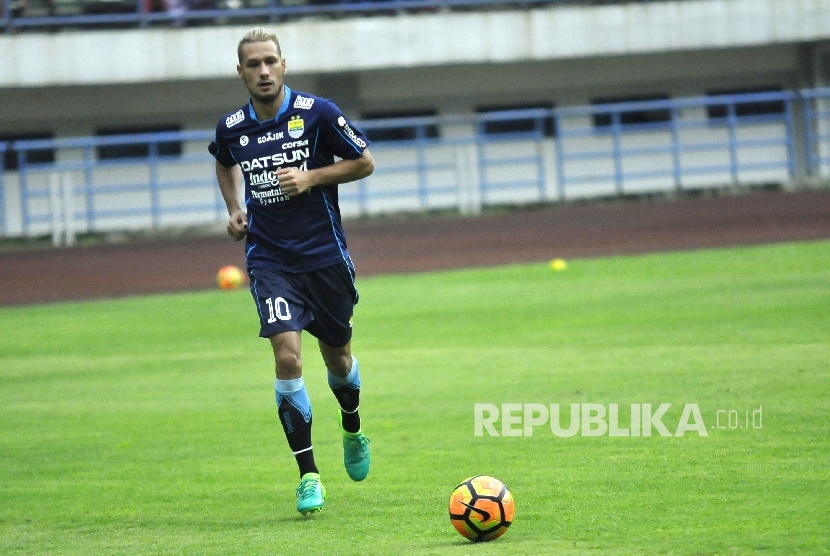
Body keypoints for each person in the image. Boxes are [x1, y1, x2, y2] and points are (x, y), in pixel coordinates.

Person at [208, 27, 374, 516]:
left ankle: (352, 427)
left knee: (338, 360)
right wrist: (235, 208)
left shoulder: (317, 112)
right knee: (287, 358)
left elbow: (364, 161)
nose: (263, 71)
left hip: (324, 258)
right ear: (240, 72)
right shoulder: (232, 126)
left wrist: (312, 177)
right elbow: (223, 162)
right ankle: (308, 476)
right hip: (269, 258)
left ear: (284, 65)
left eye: (270, 62)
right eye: (253, 64)